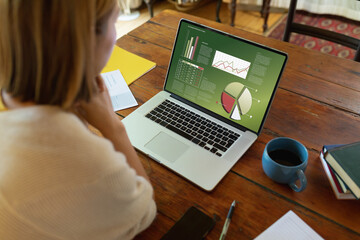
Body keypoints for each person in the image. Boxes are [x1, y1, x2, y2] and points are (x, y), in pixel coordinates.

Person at [0, 1, 156, 239]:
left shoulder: (9, 100)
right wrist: (113, 127)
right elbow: (145, 210)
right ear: (85, 42)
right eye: (113, 22)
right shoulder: (90, 164)